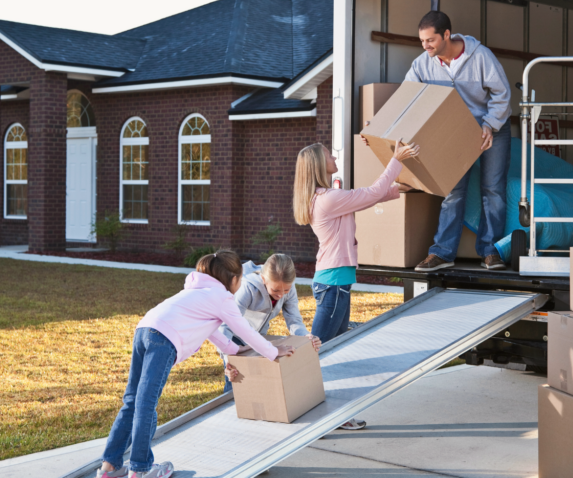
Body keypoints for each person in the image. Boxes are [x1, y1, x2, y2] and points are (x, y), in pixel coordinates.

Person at [96, 250, 295, 478]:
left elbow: (214, 334)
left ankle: (109, 468)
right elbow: (246, 331)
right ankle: (140, 469)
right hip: (163, 339)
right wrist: (273, 351)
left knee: (132, 400)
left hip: (144, 329)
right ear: (233, 280)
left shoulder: (196, 291)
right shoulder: (222, 298)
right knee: (145, 404)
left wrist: (236, 350)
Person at [293, 140, 419, 430]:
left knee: (334, 352)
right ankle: (312, 417)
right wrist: (396, 160)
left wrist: (399, 190)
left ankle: (333, 416)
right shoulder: (327, 199)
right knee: (319, 354)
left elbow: (370, 197)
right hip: (334, 283)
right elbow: (370, 193)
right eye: (328, 155)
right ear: (317, 165)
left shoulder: (326, 197)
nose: (334, 156)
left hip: (336, 282)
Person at [407, 10, 512, 272]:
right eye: (422, 41)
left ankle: (491, 251)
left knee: (493, 190)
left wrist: (490, 124)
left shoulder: (480, 56)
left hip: (492, 127)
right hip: (455, 132)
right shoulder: (422, 64)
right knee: (452, 193)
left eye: (430, 40)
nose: (425, 46)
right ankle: (442, 253)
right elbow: (408, 99)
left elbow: (502, 93)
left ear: (446, 35)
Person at [221, 254, 321, 393]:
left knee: (257, 385)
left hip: (259, 338)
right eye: (275, 290)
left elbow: (294, 320)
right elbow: (226, 326)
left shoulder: (289, 289)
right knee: (236, 385)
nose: (281, 295)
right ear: (263, 279)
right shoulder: (248, 289)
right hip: (235, 339)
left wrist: (305, 336)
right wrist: (227, 360)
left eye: (285, 290)